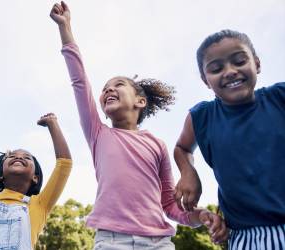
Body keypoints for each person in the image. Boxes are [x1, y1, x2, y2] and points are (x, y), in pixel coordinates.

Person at [50, 2, 227, 249]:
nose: (108, 89)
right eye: (104, 89)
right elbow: (79, 82)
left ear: (140, 101)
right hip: (112, 240)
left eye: (118, 84)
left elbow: (170, 206)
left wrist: (200, 216)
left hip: (158, 242)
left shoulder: (157, 145)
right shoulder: (98, 133)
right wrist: (65, 28)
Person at [174, 29, 285, 249]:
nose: (230, 71)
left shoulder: (280, 97)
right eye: (216, 69)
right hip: (248, 235)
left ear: (257, 64)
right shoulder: (202, 116)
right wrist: (188, 172)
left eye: (239, 61)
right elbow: (182, 147)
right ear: (206, 80)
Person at [0, 87, 72, 249]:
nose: (19, 157)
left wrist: (53, 124)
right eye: (12, 156)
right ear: (0, 174)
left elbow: (64, 164)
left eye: (27, 157)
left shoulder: (40, 204)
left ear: (35, 177)